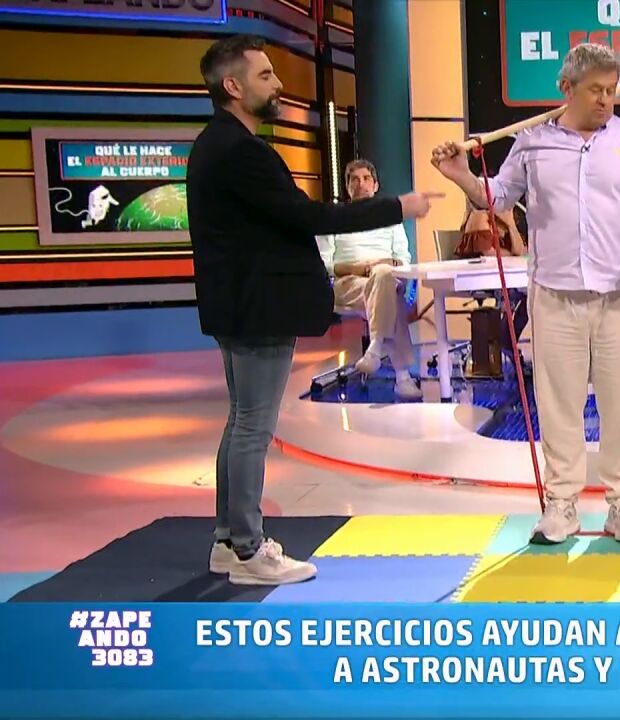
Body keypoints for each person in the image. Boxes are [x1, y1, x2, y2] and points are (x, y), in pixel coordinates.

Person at [188, 35, 436, 584]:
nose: (278, 84)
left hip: (240, 305)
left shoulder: (216, 145)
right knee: (253, 426)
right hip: (257, 307)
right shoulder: (241, 152)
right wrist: (397, 207)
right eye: (265, 75)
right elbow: (309, 218)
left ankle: (228, 541)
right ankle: (248, 549)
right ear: (233, 86)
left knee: (242, 420)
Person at [430, 42, 620, 545]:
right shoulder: (532, 143)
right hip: (554, 295)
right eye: (595, 90)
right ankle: (561, 505)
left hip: (616, 295)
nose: (606, 100)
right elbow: (497, 198)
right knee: (558, 405)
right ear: (566, 88)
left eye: (611, 90)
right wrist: (461, 174)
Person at [316, 159, 422, 401]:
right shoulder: (333, 218)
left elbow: (403, 259)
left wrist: (380, 266)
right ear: (347, 187)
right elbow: (325, 265)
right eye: (354, 179)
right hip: (347, 283)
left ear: (375, 185)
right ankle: (402, 377)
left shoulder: (390, 220)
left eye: (366, 179)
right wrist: (359, 268)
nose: (360, 183)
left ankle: (375, 347)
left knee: (383, 276)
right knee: (389, 294)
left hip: (385, 278)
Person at [456, 206, 529, 371]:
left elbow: (519, 250)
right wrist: (512, 253)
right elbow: (489, 253)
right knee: (531, 292)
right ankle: (505, 340)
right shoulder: (479, 216)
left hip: (507, 275)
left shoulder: (506, 217)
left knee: (534, 293)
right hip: (483, 277)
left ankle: (507, 339)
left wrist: (510, 224)